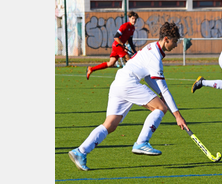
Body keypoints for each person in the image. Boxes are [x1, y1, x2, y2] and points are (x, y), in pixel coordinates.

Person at [68, 22, 189, 171]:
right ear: (166, 39)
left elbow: (149, 78)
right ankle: (142, 143)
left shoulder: (151, 47)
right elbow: (164, 90)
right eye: (175, 41)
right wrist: (178, 116)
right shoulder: (155, 58)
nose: (176, 45)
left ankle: (80, 151)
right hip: (128, 83)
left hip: (118, 83)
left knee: (110, 124)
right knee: (161, 109)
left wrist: (159, 94)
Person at [86, 11, 139, 80]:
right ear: (129, 18)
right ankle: (132, 78)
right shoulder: (125, 26)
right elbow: (116, 37)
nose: (134, 20)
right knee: (128, 59)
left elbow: (130, 41)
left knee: (111, 63)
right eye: (132, 18)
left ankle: (91, 69)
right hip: (117, 45)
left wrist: (134, 51)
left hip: (119, 46)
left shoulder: (133, 28)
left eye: (135, 19)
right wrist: (122, 44)